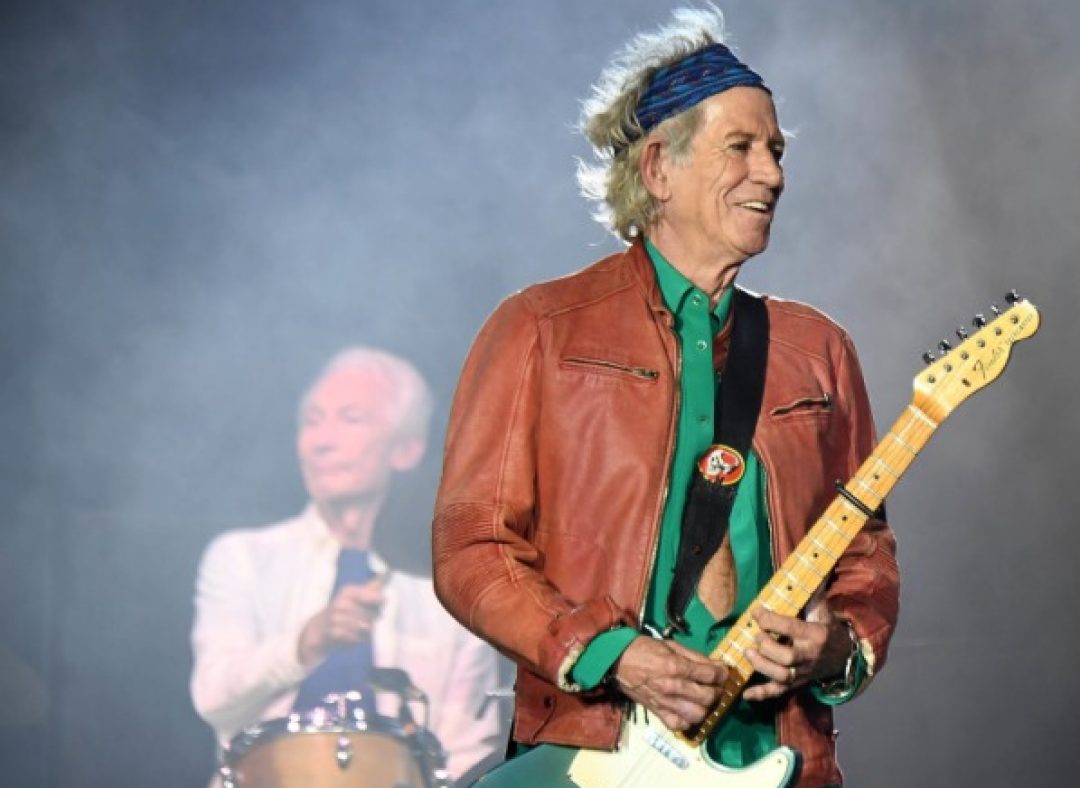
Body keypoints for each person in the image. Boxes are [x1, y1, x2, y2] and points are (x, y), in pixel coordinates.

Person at [433, 8, 899, 787]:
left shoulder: (818, 350)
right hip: (600, 753)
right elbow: (472, 546)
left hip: (780, 754)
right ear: (658, 169)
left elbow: (865, 551)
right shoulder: (539, 330)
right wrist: (610, 653)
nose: (772, 174)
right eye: (740, 147)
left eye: (777, 151)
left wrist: (840, 645)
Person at [191, 347, 512, 783]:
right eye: (312, 421)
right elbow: (213, 697)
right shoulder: (243, 557)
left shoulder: (449, 584)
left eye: (351, 419)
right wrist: (307, 642)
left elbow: (466, 745)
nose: (321, 441)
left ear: (406, 449)